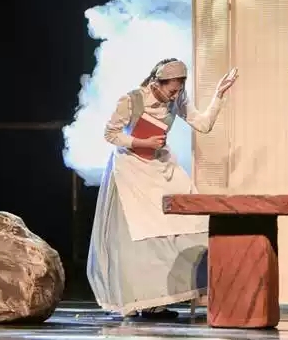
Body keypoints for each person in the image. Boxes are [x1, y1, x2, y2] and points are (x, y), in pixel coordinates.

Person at [86, 58, 238, 319]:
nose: (175, 95)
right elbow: (110, 134)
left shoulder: (177, 99)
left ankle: (165, 297)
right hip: (132, 171)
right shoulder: (131, 100)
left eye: (179, 90)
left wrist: (218, 96)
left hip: (160, 166)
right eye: (172, 90)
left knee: (189, 222)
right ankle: (140, 301)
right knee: (140, 236)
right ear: (157, 83)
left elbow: (203, 124)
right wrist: (142, 142)